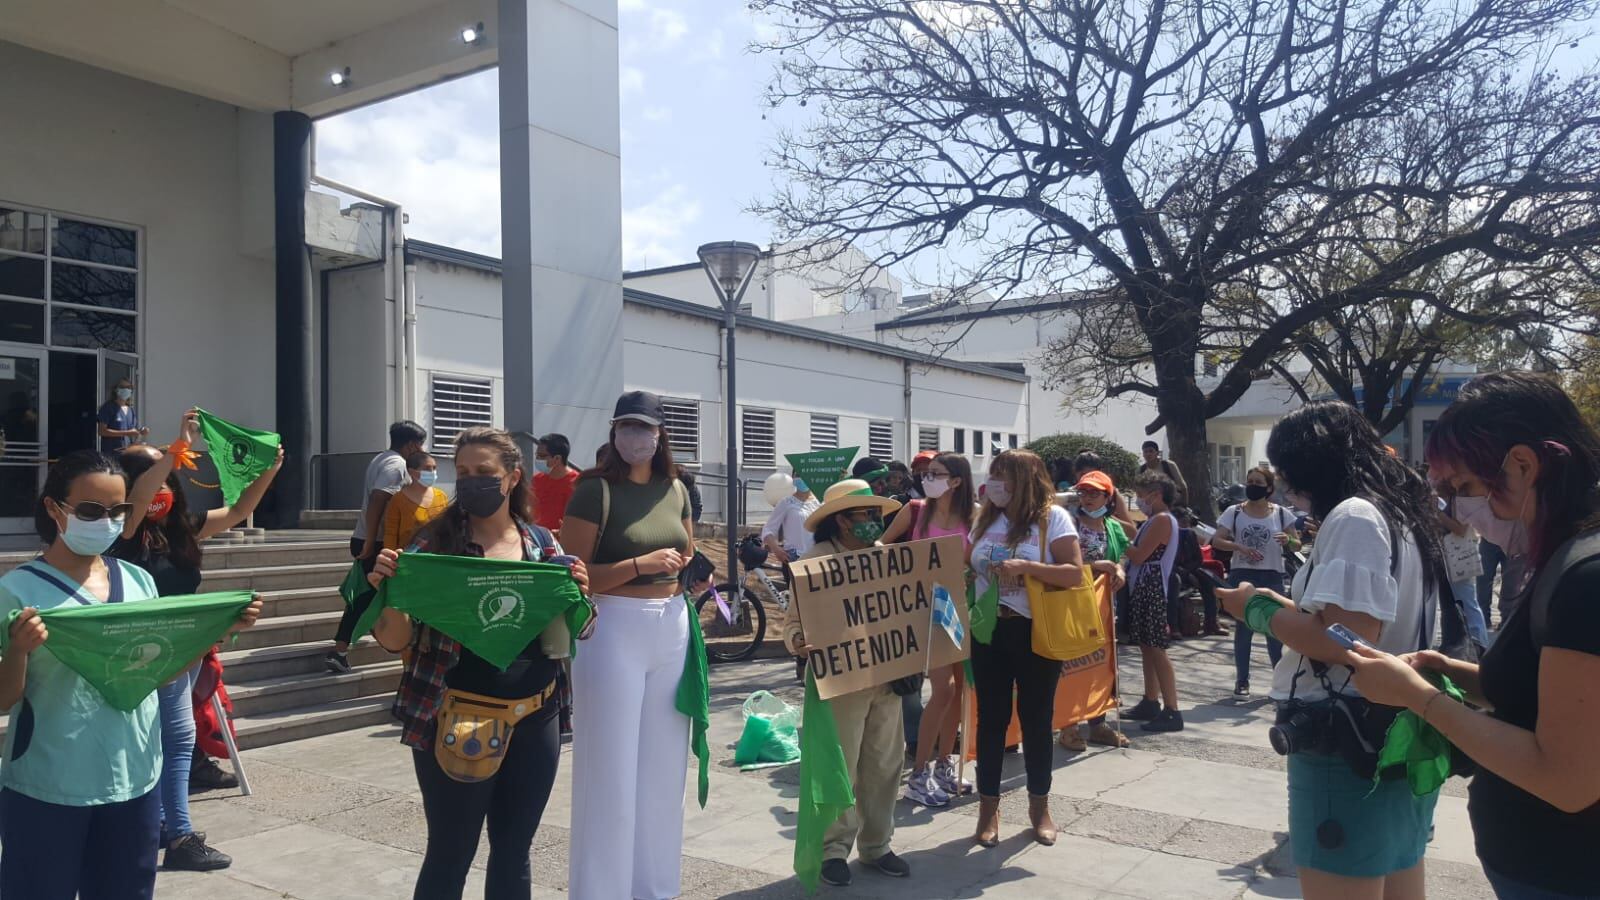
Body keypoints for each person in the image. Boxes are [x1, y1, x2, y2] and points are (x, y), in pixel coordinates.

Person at [1342, 373, 1600, 900]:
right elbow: (1549, 694)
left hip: (1566, 872)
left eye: (1464, 488)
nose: (1459, 509)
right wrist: (1456, 673)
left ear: (1523, 465)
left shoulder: (1586, 574)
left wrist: (1420, 698)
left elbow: (1568, 779)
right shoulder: (1566, 556)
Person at [0, 450, 260, 898]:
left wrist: (215, 631)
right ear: (53, 508)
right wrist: (19, 651)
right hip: (50, 784)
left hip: (135, 780)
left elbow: (154, 676)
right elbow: (4, 700)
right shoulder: (17, 591)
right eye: (89, 510)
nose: (105, 521)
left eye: (117, 511)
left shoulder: (138, 583)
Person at [1216, 401, 1445, 900]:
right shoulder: (1400, 511)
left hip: (1346, 736)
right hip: (1398, 729)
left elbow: (1347, 639)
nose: (1287, 488)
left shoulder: (1355, 516)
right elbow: (1351, 622)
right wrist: (1293, 607)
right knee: (1401, 877)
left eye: (1289, 474)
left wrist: (1256, 612)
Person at [367, 428, 590, 900]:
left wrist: (580, 597)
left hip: (537, 715)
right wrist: (390, 593)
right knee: (451, 853)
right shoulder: (432, 549)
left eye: (484, 473)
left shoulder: (542, 546)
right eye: (463, 473)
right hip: (455, 717)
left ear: (512, 478)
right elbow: (392, 640)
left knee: (514, 852)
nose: (471, 482)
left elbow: (576, 633)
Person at [113, 411, 282, 872]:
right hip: (139, 654)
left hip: (182, 650)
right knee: (172, 738)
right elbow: (142, 496)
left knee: (177, 738)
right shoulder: (123, 532)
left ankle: (169, 827)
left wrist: (269, 469)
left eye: (167, 475)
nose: (161, 486)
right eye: (150, 475)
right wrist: (172, 451)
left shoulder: (182, 528)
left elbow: (241, 511)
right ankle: (175, 833)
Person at [559, 391, 696, 900]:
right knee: (610, 771)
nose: (634, 437)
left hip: (671, 624)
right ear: (614, 433)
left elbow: (687, 547)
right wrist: (640, 565)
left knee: (664, 773)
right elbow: (571, 577)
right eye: (625, 427)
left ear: (660, 435)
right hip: (613, 625)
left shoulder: (676, 487)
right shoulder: (594, 490)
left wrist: (683, 570)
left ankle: (655, 889)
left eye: (644, 428)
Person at [781, 479, 911, 886]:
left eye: (876, 515)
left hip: (887, 680)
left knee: (885, 765)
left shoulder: (888, 559)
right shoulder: (816, 561)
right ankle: (833, 850)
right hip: (839, 682)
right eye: (864, 515)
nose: (874, 522)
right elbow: (794, 622)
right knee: (841, 767)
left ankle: (877, 846)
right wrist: (799, 642)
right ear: (839, 522)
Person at [968, 449, 1084, 848]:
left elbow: (1073, 573)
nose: (994, 483)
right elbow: (968, 562)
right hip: (988, 631)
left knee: (1036, 721)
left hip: (1035, 632)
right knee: (991, 721)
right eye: (993, 476)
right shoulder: (986, 518)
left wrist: (1027, 568)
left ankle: (1040, 807)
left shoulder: (1053, 519)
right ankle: (988, 810)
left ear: (1024, 479)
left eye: (1002, 476)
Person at [882, 452, 978, 806]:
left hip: (961, 609)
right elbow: (882, 546)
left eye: (935, 473)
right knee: (943, 689)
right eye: (925, 473)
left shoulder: (975, 516)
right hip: (925, 609)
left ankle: (943, 765)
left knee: (959, 692)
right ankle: (919, 773)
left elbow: (978, 560)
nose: (926, 478)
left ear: (956, 480)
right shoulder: (916, 511)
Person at [327, 420, 427, 674]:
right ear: (412, 445)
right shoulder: (396, 465)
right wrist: (372, 541)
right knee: (364, 596)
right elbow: (378, 499)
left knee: (371, 595)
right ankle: (339, 650)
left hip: (370, 538)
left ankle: (369, 636)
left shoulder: (381, 458)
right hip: (377, 542)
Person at [1057, 470, 1131, 751]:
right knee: (1073, 667)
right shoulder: (1069, 524)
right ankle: (1069, 726)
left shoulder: (1113, 526)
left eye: (1094, 493)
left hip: (1100, 607)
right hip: (1071, 605)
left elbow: (1119, 559)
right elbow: (1059, 564)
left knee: (1101, 664)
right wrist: (1096, 567)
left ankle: (1097, 722)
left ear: (1107, 497)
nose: (1087, 499)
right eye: (1083, 492)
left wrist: (1119, 571)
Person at [1211, 466, 1300, 697]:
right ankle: (1242, 681)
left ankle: (1279, 682)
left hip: (1271, 574)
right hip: (1242, 573)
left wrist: (1287, 539)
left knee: (1274, 630)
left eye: (1258, 483)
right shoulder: (1235, 511)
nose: (1252, 486)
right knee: (1244, 629)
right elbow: (1217, 540)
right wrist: (1238, 546)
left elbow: (1297, 544)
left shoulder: (1280, 513)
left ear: (1269, 488)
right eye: (1250, 481)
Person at [1121, 473, 1185, 732]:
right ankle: (1150, 700)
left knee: (1156, 647)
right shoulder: (1152, 520)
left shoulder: (1161, 519)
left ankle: (1172, 709)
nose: (1139, 500)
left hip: (1153, 588)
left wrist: (1117, 538)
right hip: (1145, 587)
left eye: (1141, 494)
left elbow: (1139, 555)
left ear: (1156, 494)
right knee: (1147, 646)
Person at [1437, 492, 1491, 647]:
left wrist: (1437, 512)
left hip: (1458, 555)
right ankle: (1456, 640)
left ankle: (1479, 642)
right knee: (1451, 600)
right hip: (1445, 555)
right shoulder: (1446, 496)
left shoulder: (1458, 497)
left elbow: (1460, 529)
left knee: (1467, 600)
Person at [382, 451, 448, 553]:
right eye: (427, 468)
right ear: (412, 472)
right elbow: (391, 534)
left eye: (434, 468)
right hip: (409, 559)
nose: (432, 472)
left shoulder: (441, 496)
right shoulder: (398, 500)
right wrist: (390, 557)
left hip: (436, 558)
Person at [1073, 451, 1137, 531]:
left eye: (1092, 475)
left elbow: (1132, 531)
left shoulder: (1112, 494)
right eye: (1083, 475)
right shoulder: (1067, 496)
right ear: (1075, 473)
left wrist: (1103, 516)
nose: (1087, 478)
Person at [761, 477, 819, 564]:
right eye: (798, 474)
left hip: (817, 557)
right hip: (795, 557)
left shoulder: (820, 502)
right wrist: (776, 549)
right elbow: (768, 529)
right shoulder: (786, 502)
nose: (802, 478)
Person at [532, 433, 579, 534]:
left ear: (557, 459)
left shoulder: (577, 484)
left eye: (542, 456)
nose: (538, 459)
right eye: (537, 455)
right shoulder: (536, 480)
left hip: (561, 544)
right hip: (536, 541)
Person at [97, 377, 147, 452]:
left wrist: (141, 431)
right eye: (122, 387)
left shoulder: (130, 410)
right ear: (116, 389)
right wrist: (127, 433)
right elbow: (102, 431)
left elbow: (132, 431)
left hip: (126, 454)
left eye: (128, 387)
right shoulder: (108, 408)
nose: (126, 389)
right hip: (111, 454)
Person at [1139, 441, 1189, 506]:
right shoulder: (1141, 470)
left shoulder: (1169, 465)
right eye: (1145, 451)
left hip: (1173, 504)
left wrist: (1184, 505)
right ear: (1143, 454)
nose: (1148, 454)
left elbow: (1183, 486)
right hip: (1154, 507)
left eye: (1151, 451)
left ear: (1157, 453)